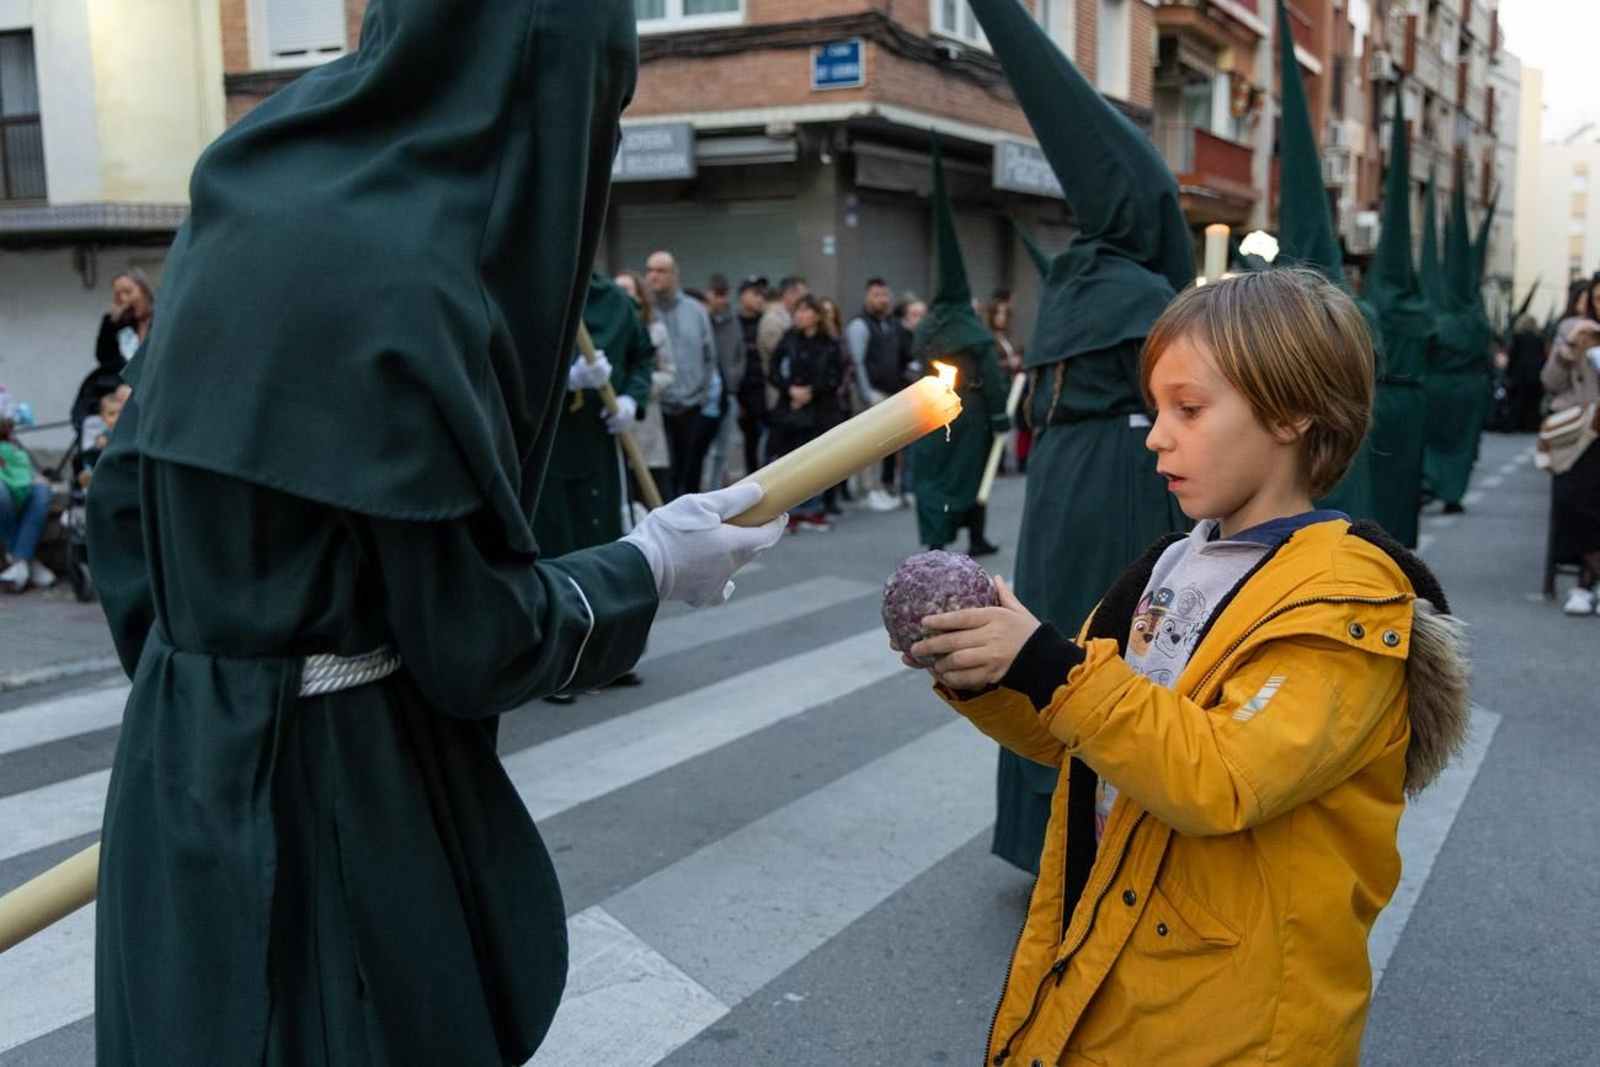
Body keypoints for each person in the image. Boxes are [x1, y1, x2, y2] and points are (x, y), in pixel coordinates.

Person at [83, 2, 785, 1062]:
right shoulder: (408, 280)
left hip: (174, 774)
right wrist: (646, 566)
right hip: (336, 801)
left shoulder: (248, 182)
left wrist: (210, 687)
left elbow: (122, 507)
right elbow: (472, 638)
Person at [906, 269, 1470, 1066]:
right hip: (1122, 964)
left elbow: (1222, 776)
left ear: (1290, 410)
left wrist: (1049, 665)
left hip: (1237, 1025)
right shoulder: (1169, 564)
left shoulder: (1344, 601)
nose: (1154, 433)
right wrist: (990, 673)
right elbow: (1096, 738)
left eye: (1190, 408)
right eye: (1158, 406)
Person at [966, 0, 1190, 874]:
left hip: (1056, 484)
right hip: (1123, 485)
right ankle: (1099, 836)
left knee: (1044, 631)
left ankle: (1035, 833)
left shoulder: (1072, 282)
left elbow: (1033, 404)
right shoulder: (1142, 294)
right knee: (1108, 641)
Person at [907, 141, 1010, 557]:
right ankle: (973, 536)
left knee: (934, 474)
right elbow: (992, 371)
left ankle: (936, 538)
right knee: (971, 472)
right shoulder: (970, 326)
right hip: (969, 413)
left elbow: (916, 361)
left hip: (928, 409)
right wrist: (1001, 415)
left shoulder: (927, 325)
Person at [1543, 277, 1600, 615]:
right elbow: (1549, 382)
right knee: (1571, 500)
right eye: (1596, 297)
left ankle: (1585, 584)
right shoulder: (1573, 329)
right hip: (1580, 433)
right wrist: (1569, 349)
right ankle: (1589, 580)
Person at [768, 294, 845, 532]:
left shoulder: (829, 343)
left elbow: (835, 376)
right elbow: (773, 369)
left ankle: (813, 507)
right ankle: (789, 510)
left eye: (805, 310)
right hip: (788, 410)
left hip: (819, 410)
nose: (799, 315)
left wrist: (810, 393)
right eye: (797, 310)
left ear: (816, 315)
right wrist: (791, 390)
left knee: (814, 461)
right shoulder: (789, 339)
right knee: (789, 460)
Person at [645, 250, 717, 499]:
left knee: (691, 468)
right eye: (650, 270)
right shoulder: (644, 312)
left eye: (660, 271)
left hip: (691, 404)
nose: (653, 277)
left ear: (675, 275)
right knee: (664, 471)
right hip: (657, 406)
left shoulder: (695, 310)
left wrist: (703, 394)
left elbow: (709, 356)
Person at [846, 277, 906, 511]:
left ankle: (879, 487)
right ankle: (868, 490)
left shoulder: (890, 324)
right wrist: (866, 392)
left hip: (889, 392)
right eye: (876, 295)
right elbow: (857, 361)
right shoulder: (860, 325)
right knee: (868, 446)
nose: (882, 299)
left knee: (883, 446)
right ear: (867, 297)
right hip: (871, 393)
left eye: (885, 295)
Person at [617, 269, 676, 497]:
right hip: (611, 427)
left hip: (645, 421)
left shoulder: (656, 331)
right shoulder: (606, 332)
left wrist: (636, 389)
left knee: (651, 492)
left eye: (626, 290)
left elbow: (668, 373)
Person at [0, 385, 55, 593]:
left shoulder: (4, 394)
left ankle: (19, 560)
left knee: (41, 491)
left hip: (9, 469)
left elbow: (14, 455)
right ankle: (25, 560)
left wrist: (31, 476)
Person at [703, 273, 744, 489]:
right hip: (704, 395)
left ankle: (714, 490)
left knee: (722, 449)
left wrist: (733, 379)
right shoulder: (702, 318)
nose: (719, 300)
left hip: (728, 393)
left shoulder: (732, 321)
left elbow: (740, 354)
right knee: (705, 450)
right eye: (715, 295)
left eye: (722, 295)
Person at [734, 276, 769, 477]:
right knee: (751, 442)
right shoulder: (734, 324)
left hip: (765, 391)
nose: (759, 299)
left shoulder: (766, 322)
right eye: (755, 294)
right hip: (744, 393)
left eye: (762, 294)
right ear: (742, 296)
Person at [78, 383, 132, 489]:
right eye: (111, 414)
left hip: (120, 463)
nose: (117, 418)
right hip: (103, 463)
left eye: (120, 412)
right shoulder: (102, 434)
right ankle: (90, 476)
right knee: (92, 461)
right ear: (102, 417)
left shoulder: (128, 430)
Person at [1505, 314, 1546, 432]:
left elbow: (1513, 358)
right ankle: (1529, 425)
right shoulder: (1539, 340)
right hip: (1535, 375)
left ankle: (1513, 424)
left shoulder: (1517, 339)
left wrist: (1508, 375)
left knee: (1515, 402)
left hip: (1518, 375)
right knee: (1531, 404)